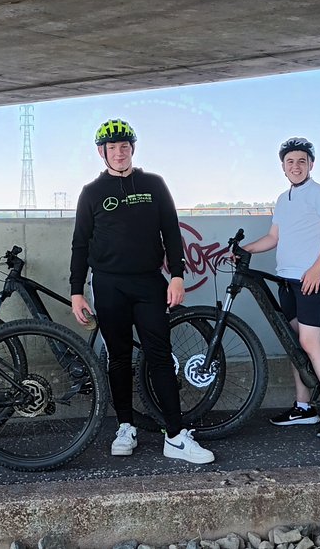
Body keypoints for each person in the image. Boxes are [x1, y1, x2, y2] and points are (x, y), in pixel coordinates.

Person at [70, 118, 214, 464]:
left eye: (124, 147)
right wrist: (77, 291)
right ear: (101, 152)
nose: (119, 153)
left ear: (132, 149)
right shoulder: (91, 192)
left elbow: (170, 230)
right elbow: (79, 244)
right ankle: (125, 426)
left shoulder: (153, 183)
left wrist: (177, 275)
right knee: (118, 358)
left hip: (150, 282)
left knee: (160, 357)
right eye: (112, 148)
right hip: (108, 284)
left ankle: (175, 435)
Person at [238, 137, 320, 439]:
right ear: (283, 167)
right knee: (295, 344)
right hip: (287, 281)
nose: (296, 166)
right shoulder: (282, 199)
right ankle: (303, 408)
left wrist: (316, 270)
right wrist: (244, 250)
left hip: (313, 280)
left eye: (302, 161)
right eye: (290, 162)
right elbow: (273, 238)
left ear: (311, 164)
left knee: (310, 343)